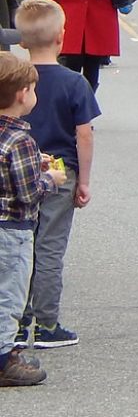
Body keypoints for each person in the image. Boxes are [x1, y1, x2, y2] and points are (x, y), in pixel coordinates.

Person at [13, 1, 93, 350]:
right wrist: (84, 180)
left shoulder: (15, 79)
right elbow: (84, 134)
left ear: (22, 42)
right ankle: (46, 324)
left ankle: (14, 320)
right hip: (60, 171)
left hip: (19, 169)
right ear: (62, 37)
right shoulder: (74, 83)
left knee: (18, 246)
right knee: (50, 247)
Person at [0, 52, 52, 386]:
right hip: (13, 231)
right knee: (9, 294)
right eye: (33, 90)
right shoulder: (21, 140)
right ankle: (4, 359)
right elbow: (28, 193)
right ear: (23, 94)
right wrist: (50, 180)